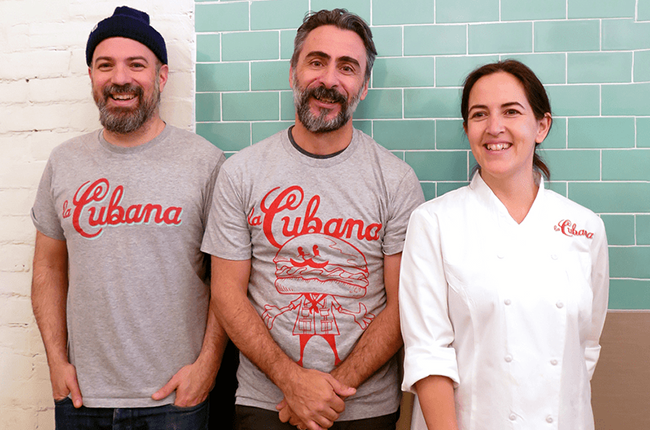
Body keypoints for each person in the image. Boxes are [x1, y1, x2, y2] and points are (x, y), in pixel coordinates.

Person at [201, 8, 425, 430]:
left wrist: (328, 392)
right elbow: (226, 294)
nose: (329, 80)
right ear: (293, 72)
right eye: (316, 62)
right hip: (265, 402)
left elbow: (402, 306)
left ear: (364, 85)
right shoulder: (241, 173)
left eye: (347, 67)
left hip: (363, 406)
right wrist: (292, 384)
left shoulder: (396, 181)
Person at [30, 6, 228, 429]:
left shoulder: (203, 162)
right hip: (82, 398)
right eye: (106, 65)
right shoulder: (64, 162)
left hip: (176, 400)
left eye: (136, 64)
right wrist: (56, 363)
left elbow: (227, 281)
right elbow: (47, 268)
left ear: (161, 76)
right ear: (91, 77)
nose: (120, 78)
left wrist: (207, 366)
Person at [399, 59, 609, 430]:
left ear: (541, 125)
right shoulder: (434, 222)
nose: (494, 128)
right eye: (479, 115)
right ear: (467, 129)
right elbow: (429, 356)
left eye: (511, 111)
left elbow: (585, 347)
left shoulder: (585, 227)